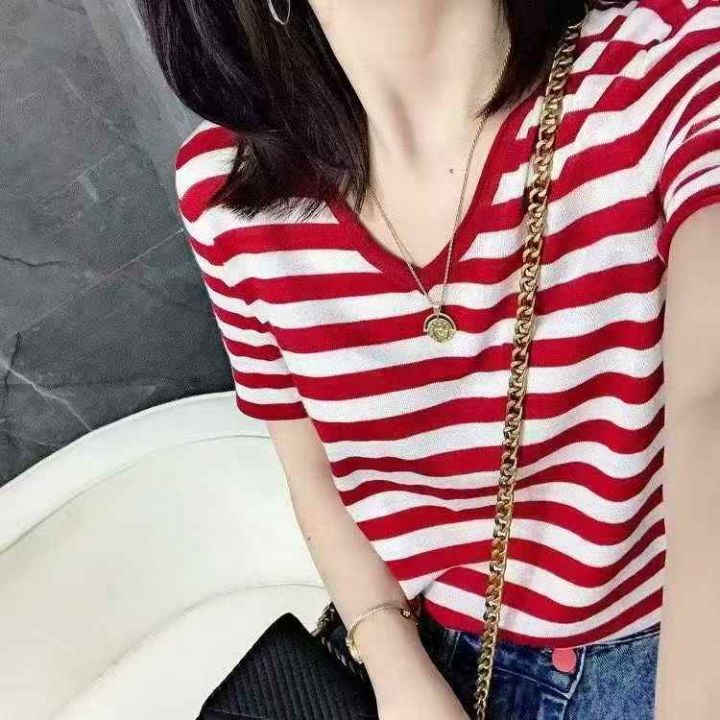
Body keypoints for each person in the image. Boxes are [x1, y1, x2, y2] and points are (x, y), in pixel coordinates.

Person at [140, 0, 720, 717]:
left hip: (660, 645)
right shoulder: (227, 192)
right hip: (429, 649)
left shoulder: (668, 73)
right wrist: (397, 669)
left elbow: (708, 403)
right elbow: (311, 467)